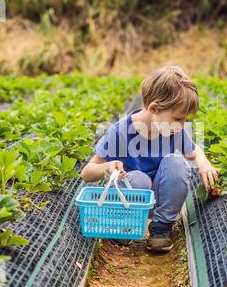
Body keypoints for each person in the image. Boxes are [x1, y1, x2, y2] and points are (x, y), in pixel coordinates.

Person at [81, 65, 219, 252]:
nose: (182, 125)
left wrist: (204, 164)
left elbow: (195, 152)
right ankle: (123, 227)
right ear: (154, 109)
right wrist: (107, 167)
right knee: (139, 178)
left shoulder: (173, 129)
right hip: (130, 200)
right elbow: (86, 173)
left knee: (176, 163)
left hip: (161, 200)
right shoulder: (120, 131)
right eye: (178, 118)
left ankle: (160, 228)